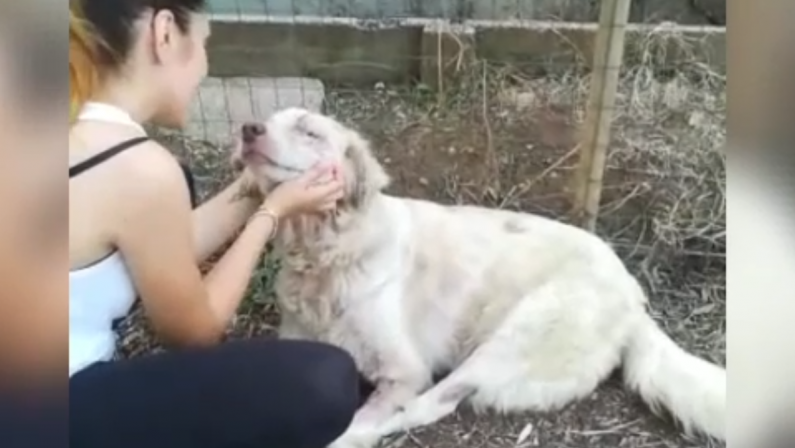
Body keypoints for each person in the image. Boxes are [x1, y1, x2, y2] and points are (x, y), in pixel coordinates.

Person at [68, 1, 362, 447]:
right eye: (205, 43)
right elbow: (195, 330)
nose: (205, 65)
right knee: (327, 380)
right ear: (164, 33)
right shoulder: (137, 167)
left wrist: (256, 184)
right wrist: (272, 213)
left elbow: (162, 249)